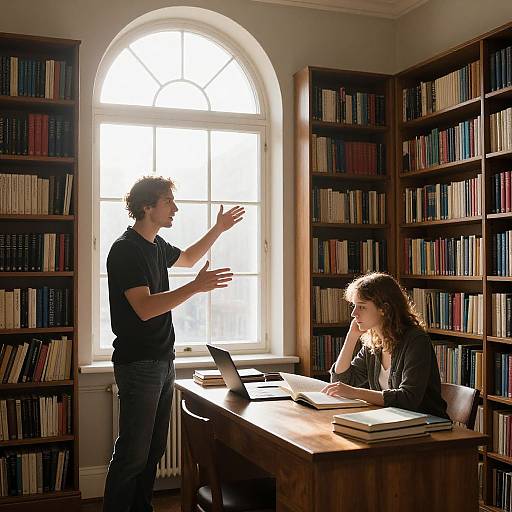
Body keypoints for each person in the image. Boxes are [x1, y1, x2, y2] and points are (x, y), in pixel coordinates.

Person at [103, 175, 244, 512]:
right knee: (132, 454)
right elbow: (146, 308)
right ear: (146, 206)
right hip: (139, 363)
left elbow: (191, 257)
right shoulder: (125, 250)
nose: (175, 208)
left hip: (163, 360)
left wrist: (219, 228)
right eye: (168, 202)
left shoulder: (156, 246)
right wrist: (195, 288)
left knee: (152, 452)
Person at [322, 272, 448, 418]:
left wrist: (355, 392)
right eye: (354, 306)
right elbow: (341, 382)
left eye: (361, 307)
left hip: (427, 425)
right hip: (393, 421)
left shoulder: (416, 341)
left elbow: (408, 399)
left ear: (384, 309)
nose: (353, 313)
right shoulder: (374, 343)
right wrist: (351, 337)